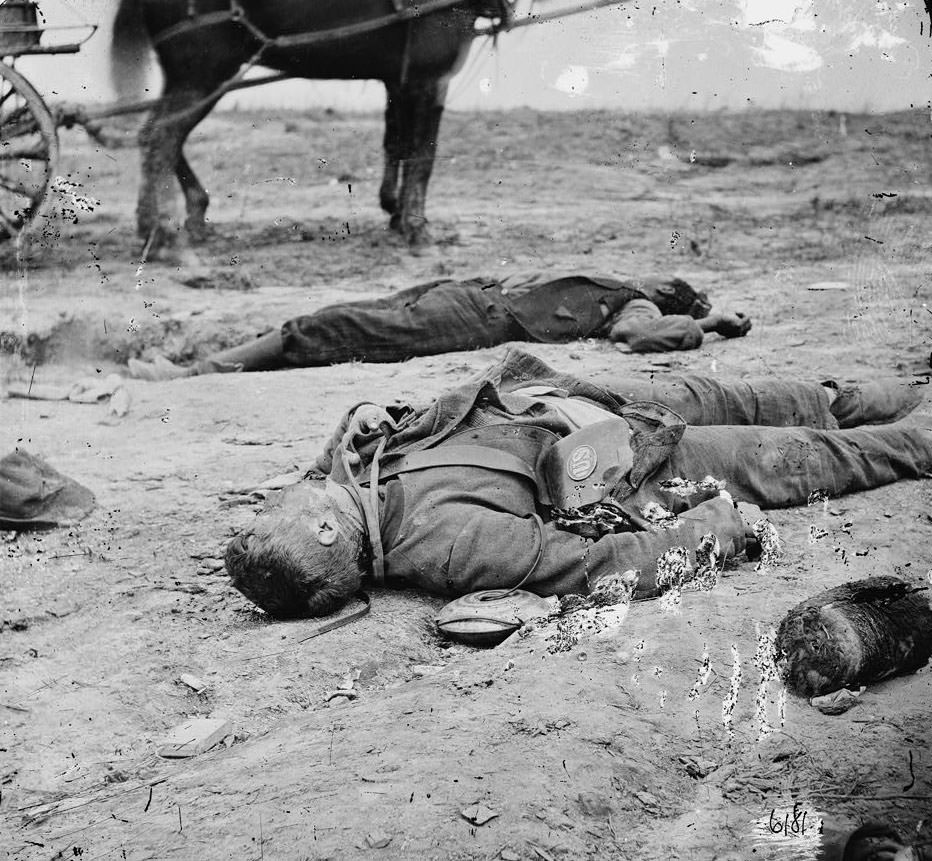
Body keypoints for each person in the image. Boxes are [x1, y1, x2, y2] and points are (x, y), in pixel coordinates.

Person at [224, 349, 928, 619]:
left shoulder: (349, 490)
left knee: (728, 392)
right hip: (630, 465)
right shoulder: (447, 544)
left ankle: (844, 397)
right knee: (791, 458)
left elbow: (320, 471)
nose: (294, 487)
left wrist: (360, 418)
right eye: (282, 509)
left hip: (564, 401)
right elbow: (586, 565)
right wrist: (712, 530)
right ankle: (911, 444)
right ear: (324, 531)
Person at [127, 272, 752, 380]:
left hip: (478, 314)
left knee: (340, 326)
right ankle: (211, 359)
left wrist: (708, 324)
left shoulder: (634, 307)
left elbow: (635, 339)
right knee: (342, 319)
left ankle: (194, 371)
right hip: (470, 293)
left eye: (674, 290)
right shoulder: (621, 284)